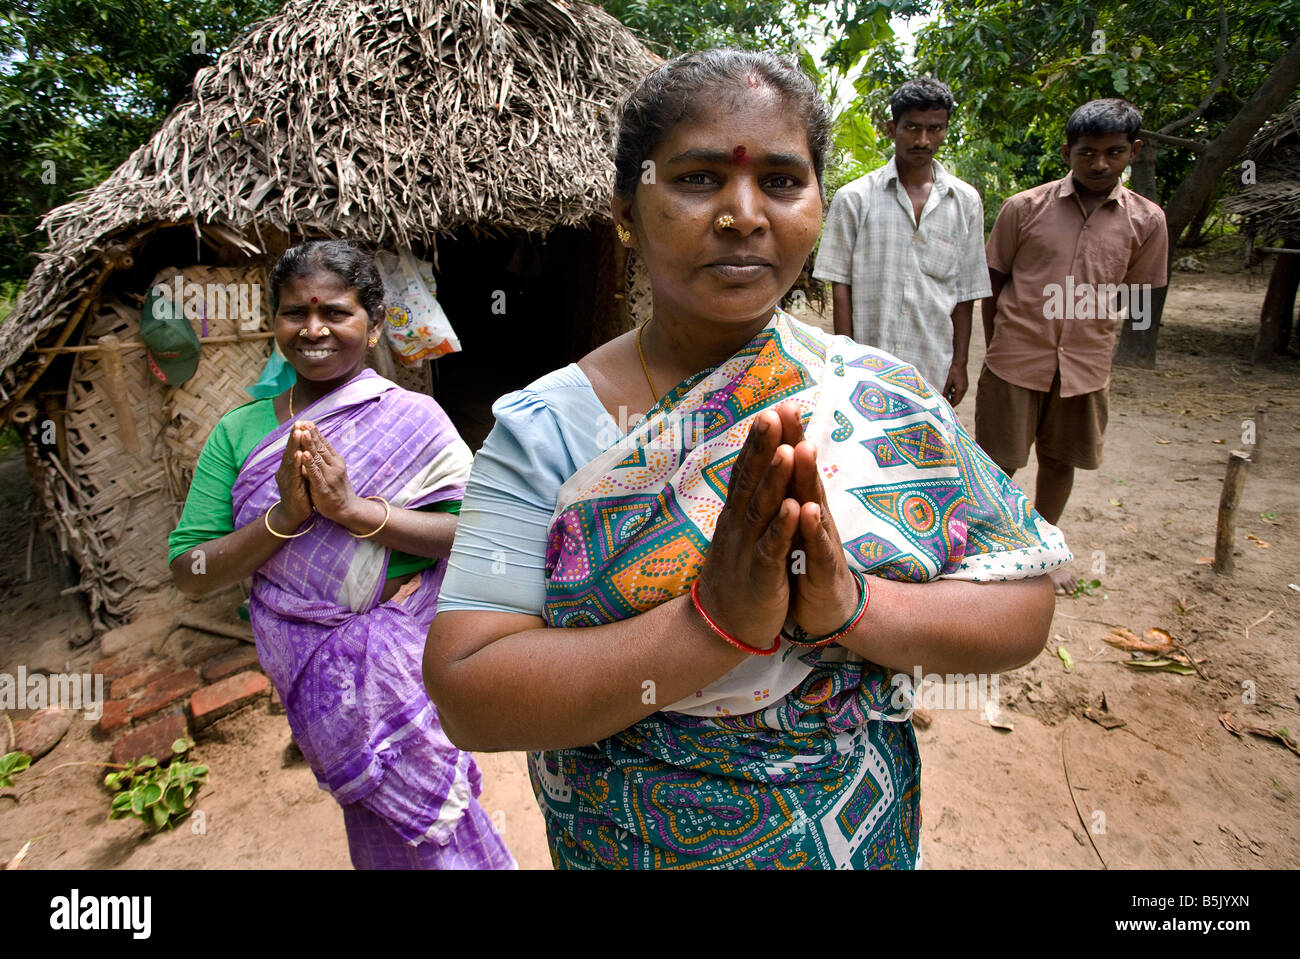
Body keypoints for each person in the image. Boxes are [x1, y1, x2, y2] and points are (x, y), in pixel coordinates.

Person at [424, 50, 1069, 870]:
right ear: (626, 207)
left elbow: (1024, 604)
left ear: (818, 207)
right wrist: (710, 623)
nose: (742, 213)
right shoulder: (546, 428)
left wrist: (852, 607)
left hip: (856, 834)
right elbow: (469, 694)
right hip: (626, 842)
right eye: (697, 179)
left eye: (780, 180)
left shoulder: (881, 395)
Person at [168, 240, 514, 870]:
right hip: (315, 664)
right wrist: (285, 518)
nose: (314, 329)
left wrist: (356, 513)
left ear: (374, 324)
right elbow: (190, 573)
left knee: (439, 808)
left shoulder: (417, 419)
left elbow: (479, 534)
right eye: (295, 312)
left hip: (409, 659)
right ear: (274, 322)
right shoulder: (239, 434)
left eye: (335, 311)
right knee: (375, 814)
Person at [975, 99, 1168, 594]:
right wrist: (1003, 340)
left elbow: (1138, 293)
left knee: (1060, 460)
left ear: (1134, 151)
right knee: (998, 462)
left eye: (1114, 152)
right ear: (1067, 151)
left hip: (1085, 366)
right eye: (1087, 152)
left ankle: (1043, 550)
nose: (1100, 163)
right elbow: (993, 284)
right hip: (1017, 357)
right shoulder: (1024, 208)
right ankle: (993, 544)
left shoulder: (1147, 221)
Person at [813, 77, 990, 405]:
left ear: (946, 129)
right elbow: (841, 287)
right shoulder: (855, 199)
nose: (923, 140)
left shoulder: (965, 202)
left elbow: (965, 295)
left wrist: (960, 364)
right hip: (864, 368)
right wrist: (844, 362)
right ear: (891, 128)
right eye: (912, 127)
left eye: (935, 128)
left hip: (931, 369)